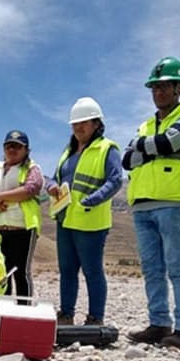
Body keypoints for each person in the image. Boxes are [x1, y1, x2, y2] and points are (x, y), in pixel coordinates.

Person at [123, 57, 180, 351]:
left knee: (178, 267)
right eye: (154, 87)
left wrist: (144, 147)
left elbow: (173, 142)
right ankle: (159, 322)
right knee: (152, 269)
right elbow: (126, 159)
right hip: (143, 203)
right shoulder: (146, 123)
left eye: (164, 86)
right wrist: (152, 146)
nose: (158, 92)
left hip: (173, 201)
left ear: (179, 87)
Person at [45, 97, 122, 327]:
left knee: (92, 271)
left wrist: (95, 199)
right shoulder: (67, 152)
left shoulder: (107, 148)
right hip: (65, 219)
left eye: (84, 123)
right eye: (75, 123)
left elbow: (115, 179)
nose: (78, 127)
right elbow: (55, 177)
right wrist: (50, 185)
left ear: (97, 124)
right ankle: (66, 314)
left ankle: (95, 318)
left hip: (91, 221)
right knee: (67, 270)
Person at [0, 130, 43, 299]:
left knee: (21, 272)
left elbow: (30, 189)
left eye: (17, 147)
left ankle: (23, 312)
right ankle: (2, 311)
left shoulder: (32, 168)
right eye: (8, 146)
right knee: (0, 272)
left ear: (26, 150)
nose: (12, 150)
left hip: (21, 228)